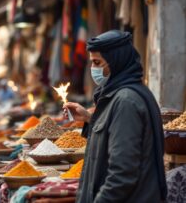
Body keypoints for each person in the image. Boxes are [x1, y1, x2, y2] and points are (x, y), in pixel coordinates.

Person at [63, 30, 167, 203]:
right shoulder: (121, 94)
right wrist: (90, 119)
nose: (93, 69)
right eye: (92, 63)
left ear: (116, 62)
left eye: (97, 62)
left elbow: (122, 175)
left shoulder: (126, 101)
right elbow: (115, 135)